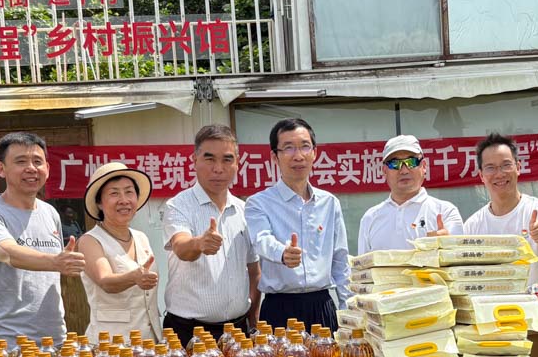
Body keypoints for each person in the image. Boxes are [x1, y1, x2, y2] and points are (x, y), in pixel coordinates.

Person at [0, 131, 84, 352]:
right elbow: (6, 253)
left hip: (54, 340)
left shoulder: (50, 213)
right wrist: (56, 262)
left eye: (37, 162)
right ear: (1, 169)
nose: (31, 168)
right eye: (21, 161)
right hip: (8, 343)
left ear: (47, 168)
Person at [244, 117, 350, 331]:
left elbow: (340, 260)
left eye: (305, 146)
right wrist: (282, 253)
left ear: (315, 153)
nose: (298, 156)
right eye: (288, 148)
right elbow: (261, 240)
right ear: (275, 156)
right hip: (279, 308)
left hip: (321, 305)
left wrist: (348, 310)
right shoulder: (258, 203)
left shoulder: (329, 203)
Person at [161, 124, 261, 341]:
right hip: (189, 331)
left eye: (227, 159)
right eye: (209, 159)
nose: (218, 168)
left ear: (237, 163)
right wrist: (199, 243)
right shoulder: (178, 206)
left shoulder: (244, 210)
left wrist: (253, 320)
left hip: (237, 330)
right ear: (194, 160)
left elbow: (254, 271)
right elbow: (181, 247)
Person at [463, 132, 538, 285]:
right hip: (490, 300)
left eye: (506, 165)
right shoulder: (472, 226)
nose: (499, 174)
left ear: (518, 167)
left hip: (535, 299)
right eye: (490, 168)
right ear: (481, 175)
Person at [78, 161, 162, 344]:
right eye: (114, 193)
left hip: (150, 341)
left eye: (129, 192)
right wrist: (134, 277)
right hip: (111, 345)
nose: (124, 200)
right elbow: (105, 281)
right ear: (99, 203)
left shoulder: (141, 237)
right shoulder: (89, 241)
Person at [357, 134, 463, 253]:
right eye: (395, 163)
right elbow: (363, 264)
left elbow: (459, 258)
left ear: (424, 166)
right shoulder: (370, 218)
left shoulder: (446, 212)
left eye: (411, 162)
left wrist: (448, 246)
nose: (404, 170)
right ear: (384, 171)